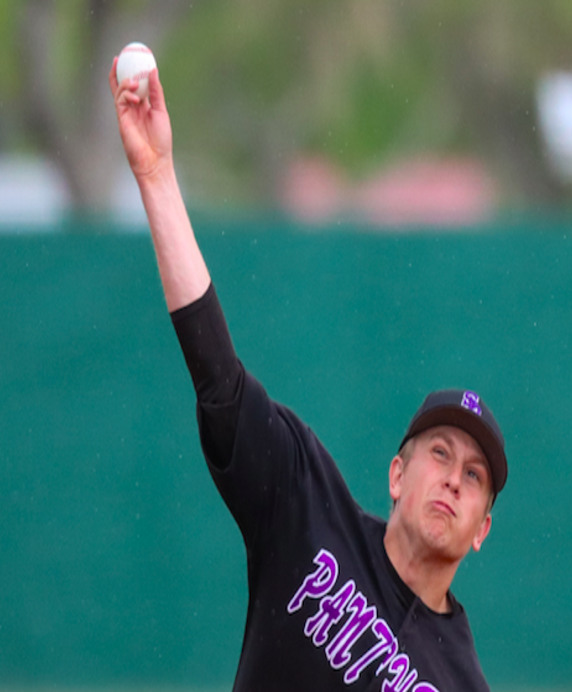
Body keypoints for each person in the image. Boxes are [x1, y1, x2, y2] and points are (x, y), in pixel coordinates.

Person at [110, 60, 508, 692]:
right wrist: (156, 176)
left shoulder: (460, 682)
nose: (454, 481)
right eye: (440, 454)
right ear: (398, 475)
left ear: (482, 528)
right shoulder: (306, 511)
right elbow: (218, 376)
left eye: (475, 476)